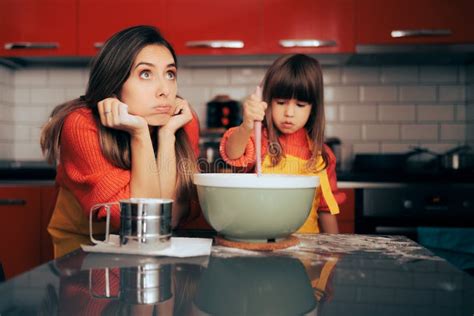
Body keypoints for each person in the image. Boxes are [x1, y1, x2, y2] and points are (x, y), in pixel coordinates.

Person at [40, 25, 200, 258]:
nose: (165, 89)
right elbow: (138, 223)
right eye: (146, 74)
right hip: (85, 260)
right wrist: (140, 134)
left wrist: (167, 136)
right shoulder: (81, 124)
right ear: (114, 83)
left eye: (170, 74)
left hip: (156, 251)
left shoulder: (181, 121)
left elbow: (168, 219)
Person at [219, 54, 345, 234]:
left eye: (300, 105)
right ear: (268, 101)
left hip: (306, 252)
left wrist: (334, 251)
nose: (289, 113)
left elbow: (326, 210)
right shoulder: (259, 139)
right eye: (281, 103)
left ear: (313, 108)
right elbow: (233, 154)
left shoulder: (321, 155)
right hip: (261, 245)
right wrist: (247, 125)